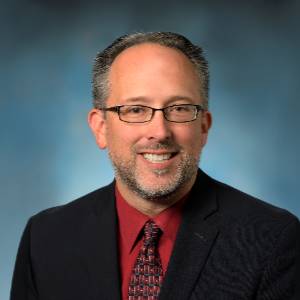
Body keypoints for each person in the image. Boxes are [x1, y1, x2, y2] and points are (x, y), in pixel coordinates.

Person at [10, 32, 300, 300]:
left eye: (179, 108)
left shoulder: (271, 239)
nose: (160, 132)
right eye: (135, 109)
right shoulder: (46, 237)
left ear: (204, 128)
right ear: (100, 128)